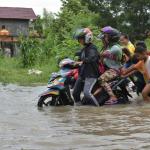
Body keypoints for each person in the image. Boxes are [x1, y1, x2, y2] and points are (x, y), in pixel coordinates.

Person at [72, 28, 100, 106]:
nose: (79, 41)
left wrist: (82, 61)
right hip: (82, 74)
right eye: (78, 39)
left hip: (91, 75)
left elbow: (91, 58)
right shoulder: (84, 49)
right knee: (75, 93)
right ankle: (81, 112)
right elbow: (79, 58)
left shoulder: (92, 48)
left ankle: (99, 111)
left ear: (87, 37)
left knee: (87, 93)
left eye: (80, 38)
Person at [97, 26, 122, 104]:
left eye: (105, 36)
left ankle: (113, 97)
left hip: (115, 70)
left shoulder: (115, 48)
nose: (103, 39)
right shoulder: (108, 46)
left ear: (111, 38)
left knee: (101, 79)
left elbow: (103, 54)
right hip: (108, 68)